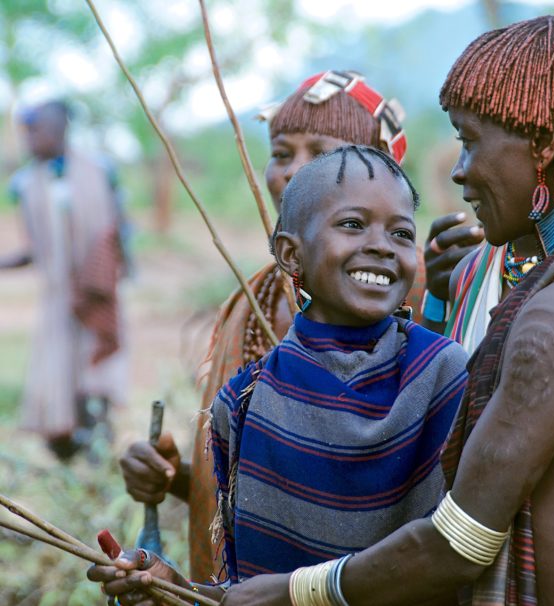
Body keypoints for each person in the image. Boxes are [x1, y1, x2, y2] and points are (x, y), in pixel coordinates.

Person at [109, 14, 554, 605]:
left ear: (544, 149)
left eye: (470, 143)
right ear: (291, 251)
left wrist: (293, 592)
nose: (459, 171)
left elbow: (458, 541)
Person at [88, 144, 469, 603]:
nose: (381, 246)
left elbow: (453, 555)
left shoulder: (444, 375)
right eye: (352, 225)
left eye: (401, 233)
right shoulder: (246, 401)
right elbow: (250, 594)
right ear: (291, 253)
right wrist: (174, 589)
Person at [118, 71, 431, 582]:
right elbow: (257, 481)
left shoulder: (418, 295)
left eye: (321, 153)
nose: (293, 172)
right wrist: (175, 476)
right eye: (282, 152)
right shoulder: (252, 300)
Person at [0, 100, 129, 461]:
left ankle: (97, 452)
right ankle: (64, 454)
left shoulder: (99, 171)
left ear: (58, 131)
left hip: (98, 291)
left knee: (97, 370)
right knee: (58, 375)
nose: (28, 139)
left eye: (35, 130)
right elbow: (34, 249)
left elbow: (119, 229)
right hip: (58, 298)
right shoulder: (24, 184)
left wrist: (111, 274)